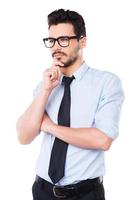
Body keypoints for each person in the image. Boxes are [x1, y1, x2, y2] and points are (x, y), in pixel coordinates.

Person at [16, 9, 124, 200]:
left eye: (64, 39)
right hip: (42, 191)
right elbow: (24, 136)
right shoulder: (45, 85)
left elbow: (102, 140)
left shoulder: (106, 82)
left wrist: (48, 125)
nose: (56, 47)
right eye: (52, 41)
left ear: (82, 41)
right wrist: (47, 90)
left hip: (85, 194)